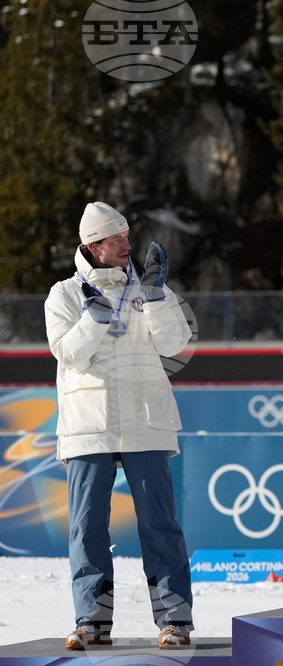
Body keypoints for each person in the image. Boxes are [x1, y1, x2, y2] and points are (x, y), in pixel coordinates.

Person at [44, 202, 194, 650]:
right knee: (87, 527)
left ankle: (175, 622)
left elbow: (176, 344)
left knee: (159, 524)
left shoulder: (149, 288)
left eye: (128, 236)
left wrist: (157, 296)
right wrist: (93, 317)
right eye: (117, 239)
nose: (127, 245)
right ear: (93, 246)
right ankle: (90, 621)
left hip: (146, 422)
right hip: (88, 425)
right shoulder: (64, 295)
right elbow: (68, 354)